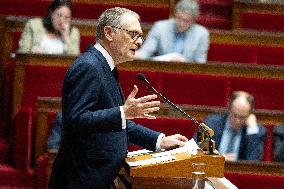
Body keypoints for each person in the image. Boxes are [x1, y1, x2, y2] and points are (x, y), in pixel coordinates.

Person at [49, 7, 189, 189]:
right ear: (109, 33)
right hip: (82, 179)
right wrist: (123, 112)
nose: (138, 43)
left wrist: (159, 140)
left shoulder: (106, 67)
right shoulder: (89, 67)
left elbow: (118, 124)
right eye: (133, 34)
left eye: (140, 36)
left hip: (98, 177)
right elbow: (76, 121)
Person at [135, 0, 209, 63]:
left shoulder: (202, 34)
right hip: (162, 70)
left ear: (193, 21)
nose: (181, 23)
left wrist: (184, 62)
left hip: (187, 74)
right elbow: (145, 52)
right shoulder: (160, 27)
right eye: (179, 18)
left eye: (186, 21)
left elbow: (200, 63)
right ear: (175, 14)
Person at [204, 91, 267, 161]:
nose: (237, 121)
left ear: (250, 115)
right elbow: (195, 151)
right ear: (229, 109)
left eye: (242, 117)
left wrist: (252, 130)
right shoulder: (211, 123)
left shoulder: (256, 132)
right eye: (235, 115)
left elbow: (254, 163)